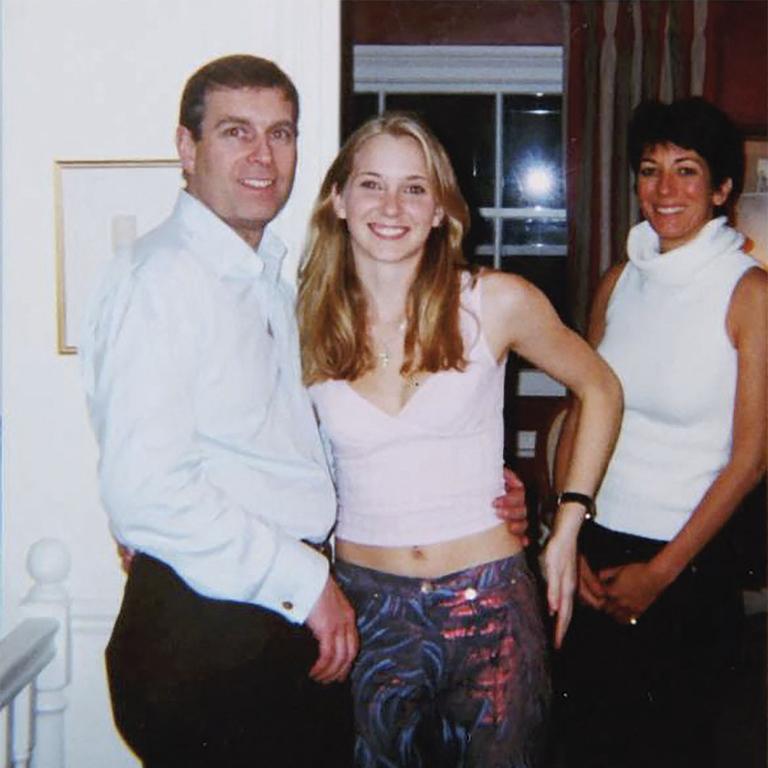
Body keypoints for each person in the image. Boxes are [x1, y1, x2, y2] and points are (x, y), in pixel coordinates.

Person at [81, 56, 528, 768]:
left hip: (271, 620)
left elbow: (290, 448)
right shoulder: (162, 279)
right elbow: (144, 489)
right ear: (187, 148)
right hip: (212, 630)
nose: (263, 156)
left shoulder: (269, 282)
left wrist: (478, 484)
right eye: (235, 132)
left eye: (281, 134)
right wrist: (307, 582)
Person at [297, 113, 623, 767]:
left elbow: (601, 389)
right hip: (365, 611)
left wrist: (566, 526)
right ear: (338, 199)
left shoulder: (494, 302)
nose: (392, 207)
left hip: (493, 608)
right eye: (371, 184)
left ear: (443, 209)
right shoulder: (299, 317)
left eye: (415, 188)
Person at [554, 98, 767, 768]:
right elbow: (580, 413)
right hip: (597, 548)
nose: (665, 190)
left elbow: (753, 457)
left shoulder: (750, 293)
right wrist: (570, 538)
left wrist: (662, 574)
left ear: (722, 189)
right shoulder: (619, 280)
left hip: (687, 564)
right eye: (650, 170)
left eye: (687, 170)